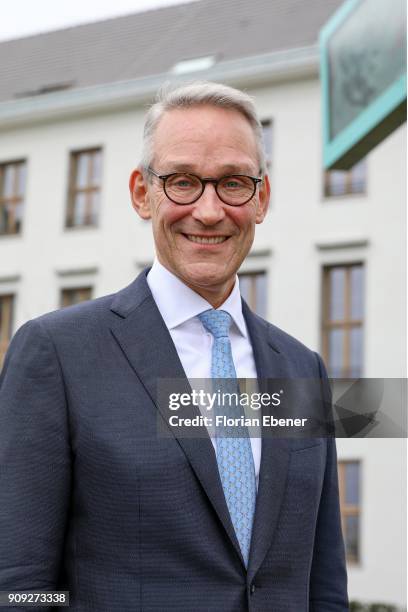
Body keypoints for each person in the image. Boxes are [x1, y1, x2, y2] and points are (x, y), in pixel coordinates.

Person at [0, 81, 348, 611]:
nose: (209, 212)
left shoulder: (303, 370)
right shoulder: (57, 354)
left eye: (233, 183)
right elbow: (20, 586)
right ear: (143, 192)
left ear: (261, 198)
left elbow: (323, 586)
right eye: (183, 182)